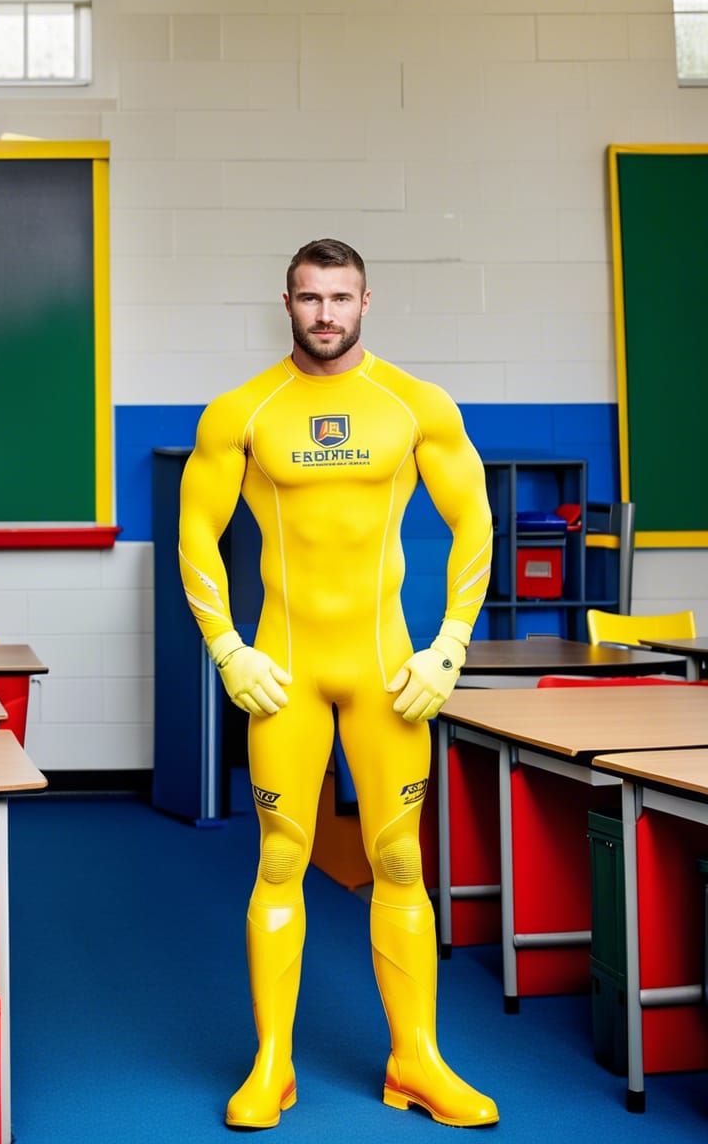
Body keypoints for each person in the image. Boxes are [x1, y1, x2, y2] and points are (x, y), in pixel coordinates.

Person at [179, 239, 497, 1130]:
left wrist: (450, 645)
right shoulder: (242, 411)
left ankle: (417, 1061)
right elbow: (196, 534)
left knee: (399, 860)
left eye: (341, 297)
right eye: (311, 297)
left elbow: (474, 520)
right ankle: (271, 1065)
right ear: (286, 303)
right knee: (281, 858)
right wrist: (227, 648)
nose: (326, 313)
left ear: (367, 301)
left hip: (387, 675)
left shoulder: (416, 405)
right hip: (284, 673)